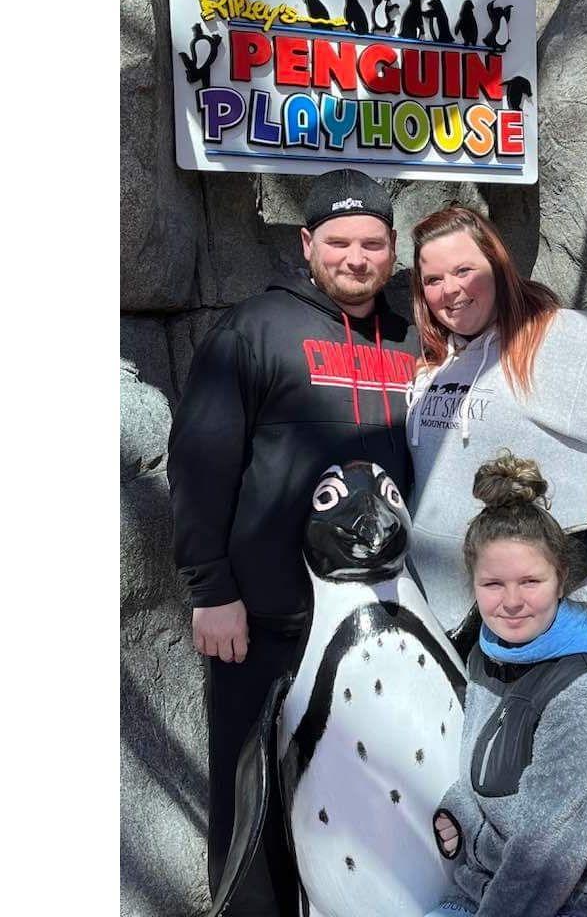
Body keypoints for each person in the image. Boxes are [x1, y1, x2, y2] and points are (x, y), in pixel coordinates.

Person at [167, 169, 418, 916]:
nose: (355, 257)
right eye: (338, 242)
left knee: (363, 799)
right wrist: (211, 590)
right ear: (307, 243)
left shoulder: (412, 338)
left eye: (371, 242)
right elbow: (200, 463)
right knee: (254, 805)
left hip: (376, 624)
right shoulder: (254, 329)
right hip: (267, 623)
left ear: (393, 248)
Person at [426, 452, 587, 917]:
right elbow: (490, 777)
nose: (511, 602)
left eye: (530, 581)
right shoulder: (488, 656)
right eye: (493, 584)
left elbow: (542, 864)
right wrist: (459, 811)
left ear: (561, 580)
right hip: (504, 886)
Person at [405, 206, 587, 634]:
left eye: (464, 270)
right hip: (450, 618)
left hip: (561, 612)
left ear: (497, 266)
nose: (451, 289)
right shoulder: (433, 364)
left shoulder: (558, 336)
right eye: (433, 280)